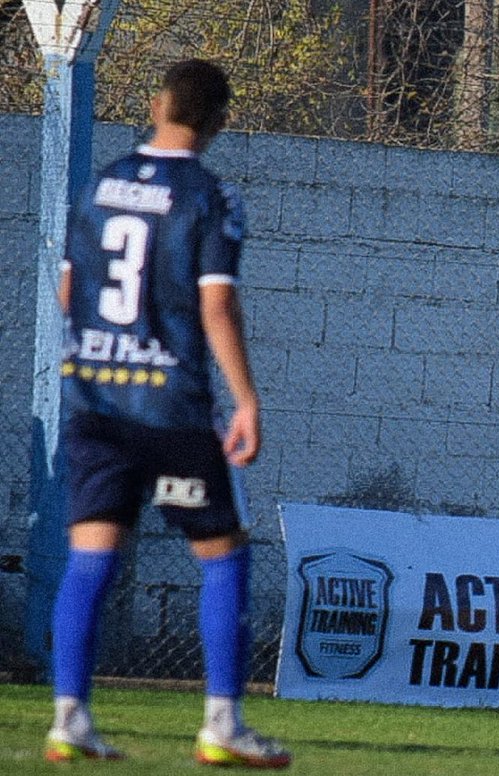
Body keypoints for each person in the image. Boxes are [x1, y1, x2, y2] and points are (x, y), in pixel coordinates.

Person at [46, 59, 290, 768]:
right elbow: (216, 302)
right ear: (219, 120)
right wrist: (245, 398)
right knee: (223, 555)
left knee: (91, 557)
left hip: (94, 400)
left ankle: (69, 718)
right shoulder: (210, 195)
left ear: (157, 105)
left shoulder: (99, 185)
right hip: (171, 410)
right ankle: (221, 722)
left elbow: (70, 292)